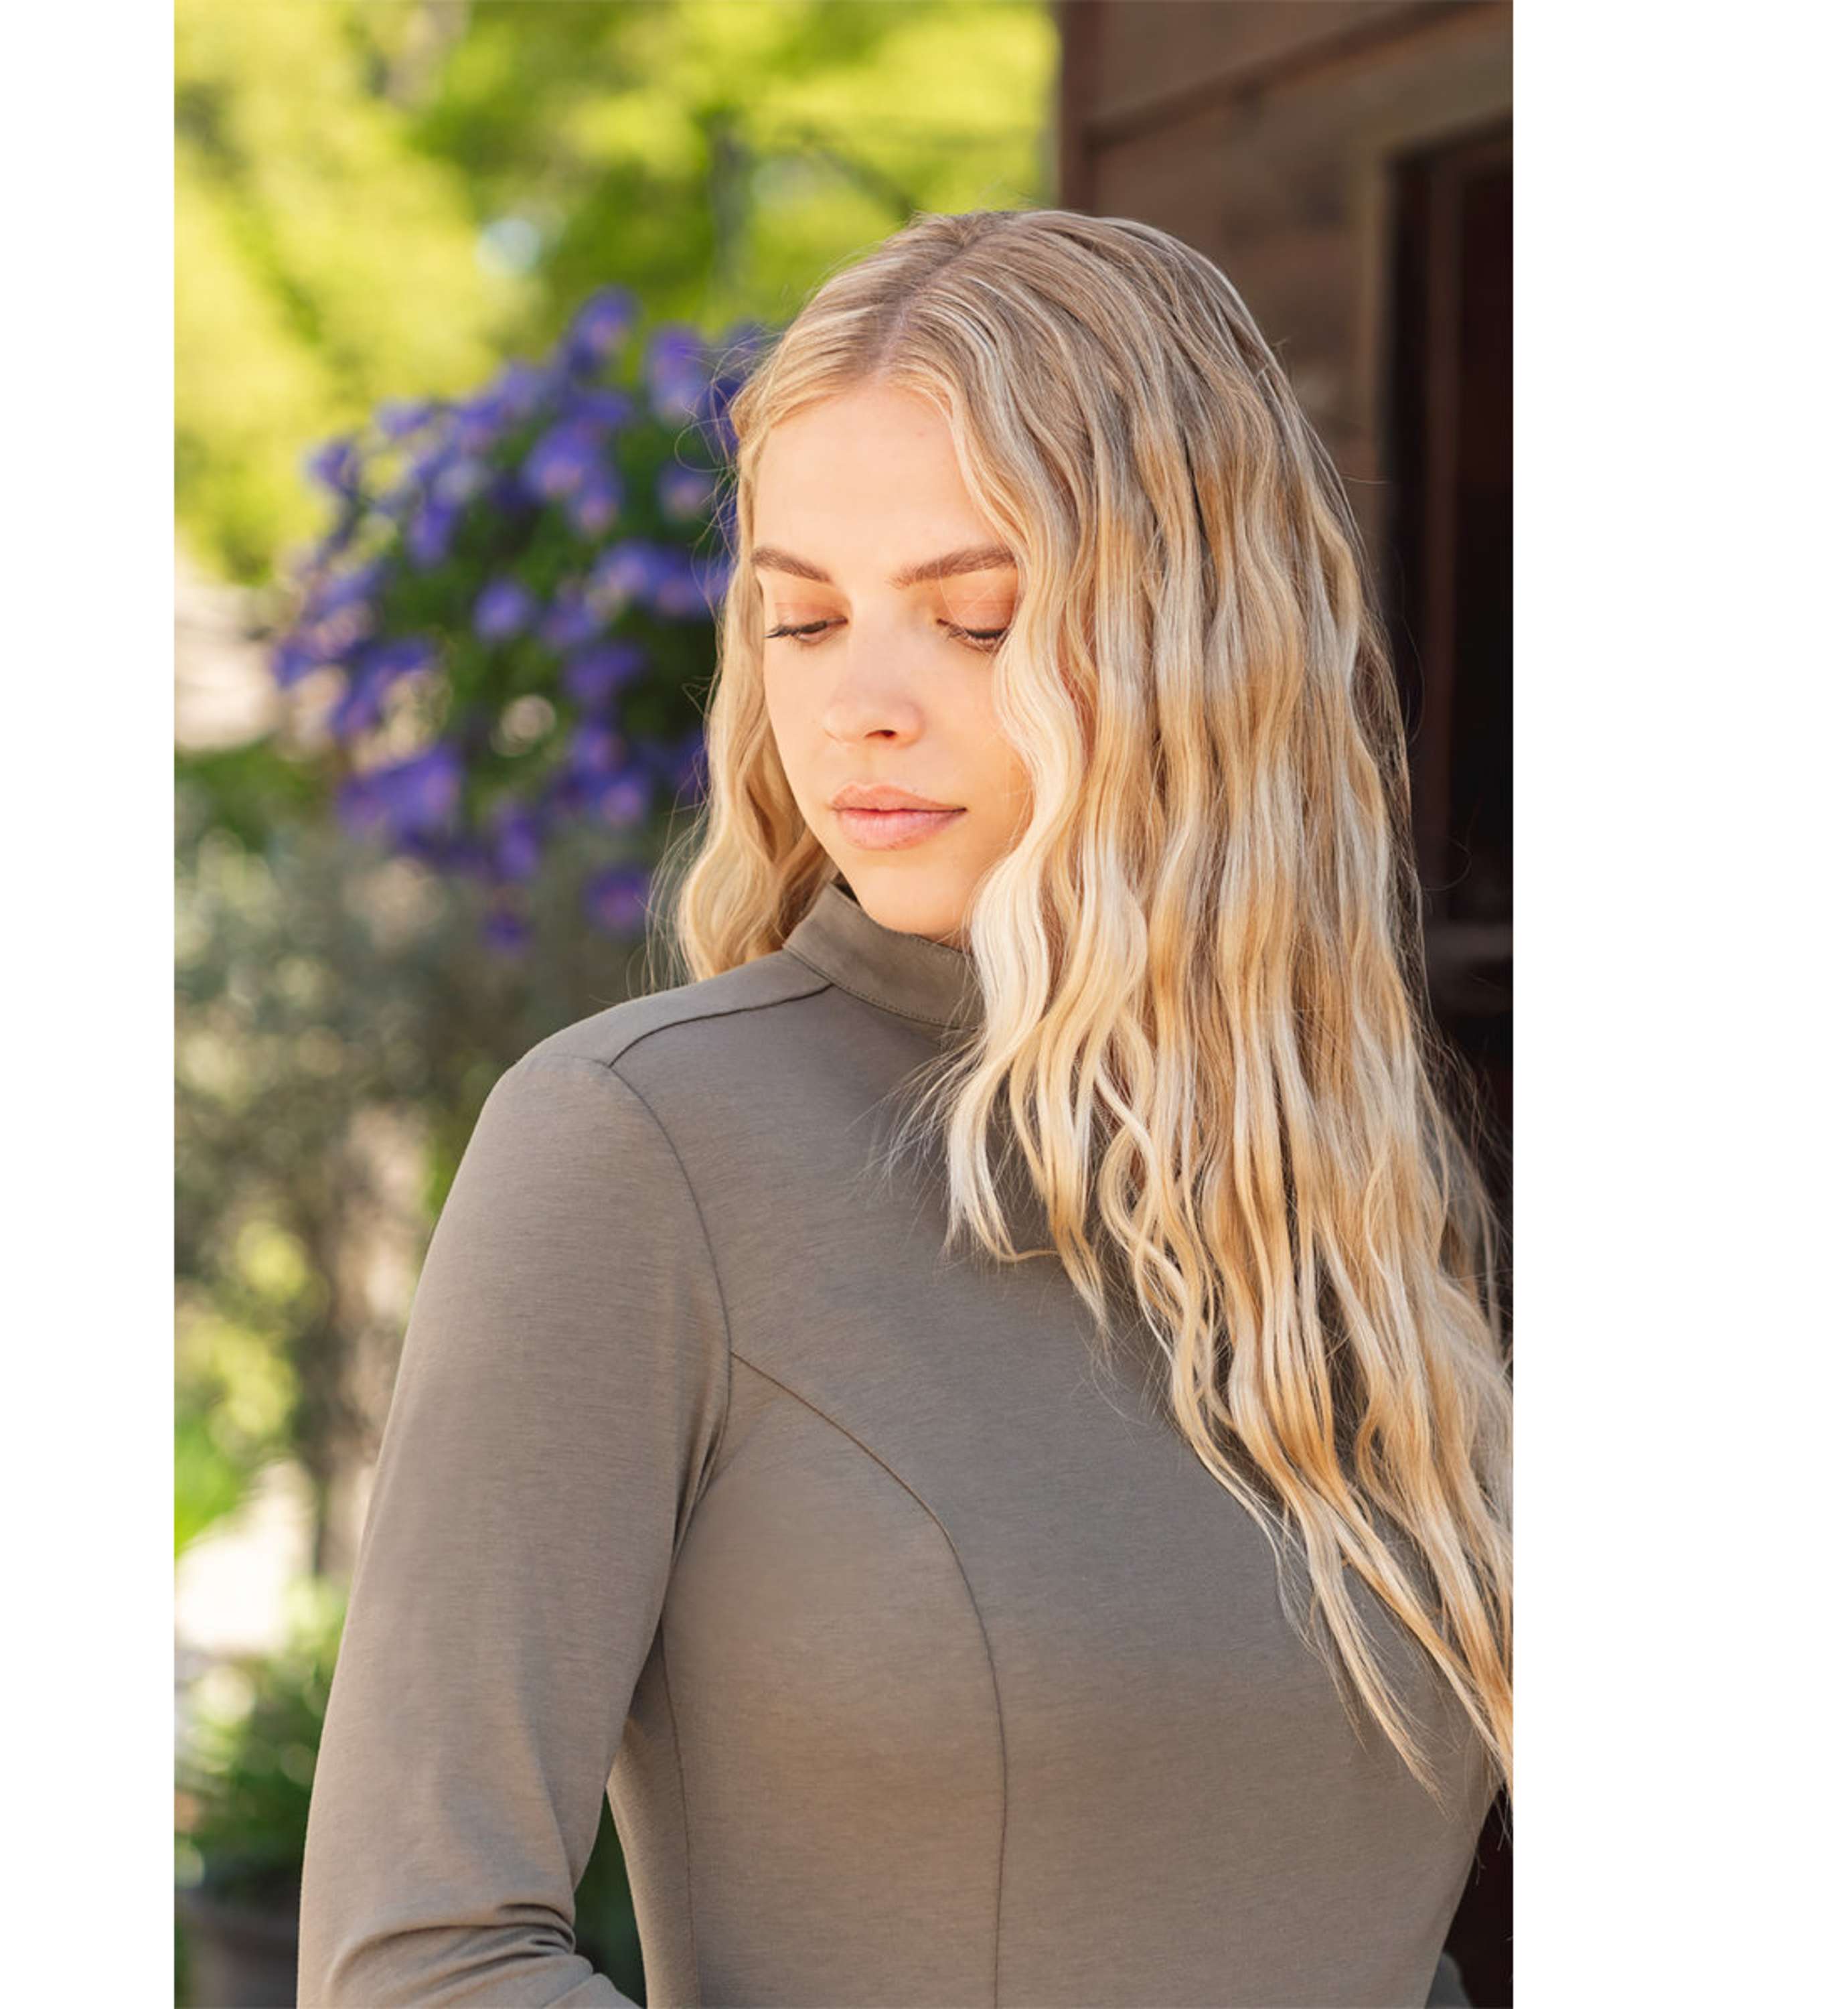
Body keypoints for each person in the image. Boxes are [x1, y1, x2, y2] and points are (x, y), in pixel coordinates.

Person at [297, 208, 1513, 2009]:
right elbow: (421, 1960)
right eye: (802, 619)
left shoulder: (1358, 1192)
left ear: (1201, 644)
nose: (857, 705)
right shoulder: (640, 1150)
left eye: (975, 618)